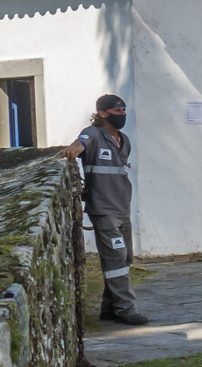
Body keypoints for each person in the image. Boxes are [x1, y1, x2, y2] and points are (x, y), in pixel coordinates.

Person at [58, 93, 148, 325]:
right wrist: (75, 147)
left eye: (124, 111)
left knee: (125, 257)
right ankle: (126, 309)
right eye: (118, 111)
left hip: (122, 208)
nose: (122, 115)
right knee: (116, 256)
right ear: (102, 113)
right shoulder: (94, 134)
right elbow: (81, 142)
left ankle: (109, 309)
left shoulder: (124, 140)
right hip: (103, 209)